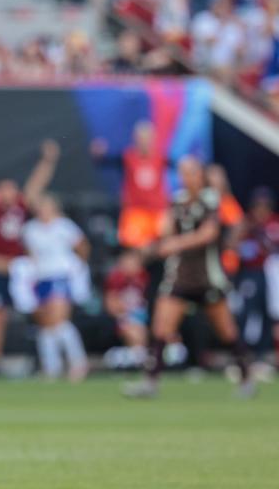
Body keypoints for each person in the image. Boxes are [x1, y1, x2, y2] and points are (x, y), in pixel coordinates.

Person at [125, 156, 255, 399]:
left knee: (227, 331)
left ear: (200, 175)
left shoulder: (211, 200)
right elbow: (165, 232)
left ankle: (246, 378)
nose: (187, 178)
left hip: (208, 276)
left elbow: (209, 234)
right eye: (183, 173)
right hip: (180, 276)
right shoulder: (177, 201)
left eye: (192, 172)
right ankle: (150, 382)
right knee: (161, 327)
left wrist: (175, 244)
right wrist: (155, 243)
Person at [0, 137, 59, 373]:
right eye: (4, 188)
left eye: (11, 187)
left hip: (20, 273)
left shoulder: (21, 206)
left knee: (36, 312)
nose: (8, 192)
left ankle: (41, 358)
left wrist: (48, 161)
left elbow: (36, 184)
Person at [22, 195, 90, 381]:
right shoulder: (30, 230)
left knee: (58, 320)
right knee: (46, 324)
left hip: (60, 276)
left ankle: (78, 363)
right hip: (40, 278)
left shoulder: (64, 226)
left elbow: (82, 247)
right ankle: (51, 366)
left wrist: (76, 270)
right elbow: (30, 255)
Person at [232, 188, 279, 357]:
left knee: (270, 313)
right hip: (251, 273)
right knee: (247, 310)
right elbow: (233, 244)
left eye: (265, 205)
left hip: (272, 274)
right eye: (258, 205)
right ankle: (244, 351)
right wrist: (244, 228)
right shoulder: (247, 223)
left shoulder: (274, 223)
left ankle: (264, 351)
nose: (261, 209)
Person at [118, 120, 169, 250]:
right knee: (134, 242)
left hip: (157, 212)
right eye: (141, 138)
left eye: (147, 138)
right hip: (136, 212)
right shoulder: (128, 157)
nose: (144, 141)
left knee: (165, 238)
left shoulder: (161, 158)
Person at [104, 249, 150, 365]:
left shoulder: (145, 278)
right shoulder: (116, 279)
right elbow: (111, 305)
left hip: (145, 315)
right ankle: (140, 358)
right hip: (126, 316)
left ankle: (134, 356)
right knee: (134, 330)